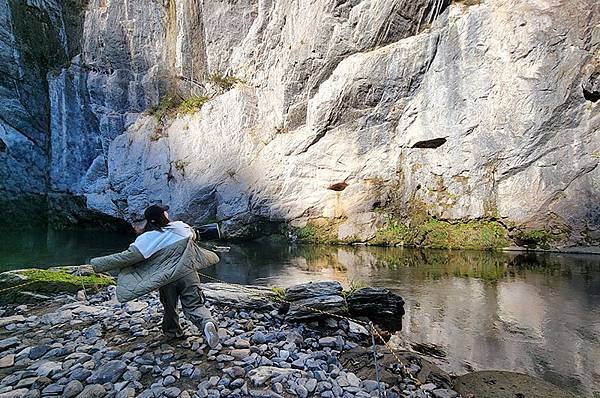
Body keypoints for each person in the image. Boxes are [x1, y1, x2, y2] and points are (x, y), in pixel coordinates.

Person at [90, 204, 221, 347]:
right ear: (164, 216)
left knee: (169, 306)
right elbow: (194, 236)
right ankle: (206, 323)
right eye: (165, 212)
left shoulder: (146, 239)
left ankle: (173, 332)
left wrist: (97, 264)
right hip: (188, 274)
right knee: (194, 304)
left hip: (166, 278)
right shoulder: (181, 228)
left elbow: (127, 257)